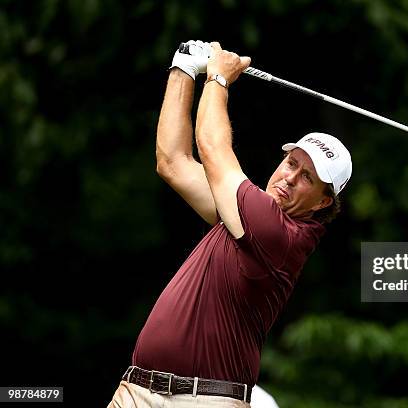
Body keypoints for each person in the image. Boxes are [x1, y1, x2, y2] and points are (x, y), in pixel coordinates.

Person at [107, 40, 352, 407]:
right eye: (292, 163)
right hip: (137, 392)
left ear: (322, 201)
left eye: (307, 177)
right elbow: (172, 162)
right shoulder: (241, 215)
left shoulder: (279, 234)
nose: (289, 177)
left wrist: (219, 77)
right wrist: (184, 68)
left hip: (205, 400)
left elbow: (212, 148)